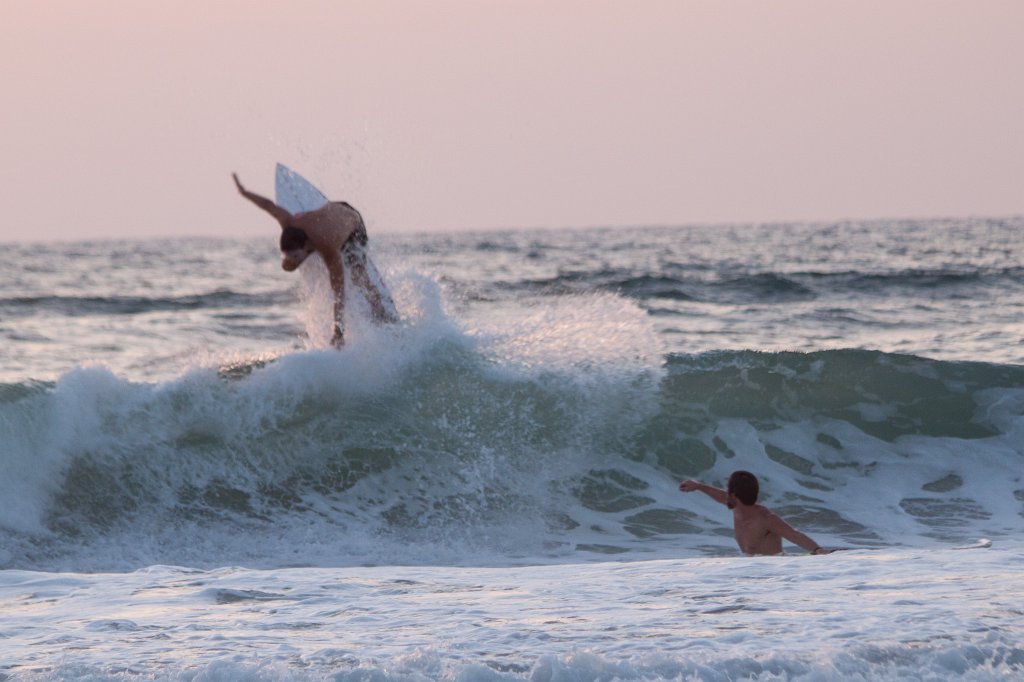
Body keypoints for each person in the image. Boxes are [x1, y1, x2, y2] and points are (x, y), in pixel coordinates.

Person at [232, 173, 398, 347]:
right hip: (331, 209)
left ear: (305, 246)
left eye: (296, 256)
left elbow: (339, 292)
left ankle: (381, 313)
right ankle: (302, 253)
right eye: (290, 255)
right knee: (287, 266)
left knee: (358, 278)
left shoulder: (328, 247)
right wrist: (244, 192)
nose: (293, 261)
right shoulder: (287, 221)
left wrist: (338, 332)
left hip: (352, 227)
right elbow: (268, 205)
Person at [679, 470, 831, 555]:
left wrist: (818, 550)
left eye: (728, 491)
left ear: (734, 496)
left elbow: (794, 534)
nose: (726, 495)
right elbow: (721, 496)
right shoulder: (737, 506)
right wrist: (698, 486)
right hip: (751, 569)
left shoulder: (766, 519)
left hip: (772, 573)